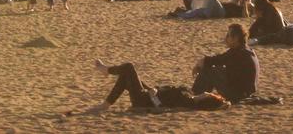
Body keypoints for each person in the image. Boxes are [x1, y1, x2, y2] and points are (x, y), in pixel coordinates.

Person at [94, 62, 231, 111]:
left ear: (206, 99)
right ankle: (106, 104)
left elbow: (162, 109)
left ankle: (106, 70)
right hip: (148, 94)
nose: (208, 92)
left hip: (144, 100)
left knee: (129, 67)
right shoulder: (190, 95)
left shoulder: (188, 102)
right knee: (126, 76)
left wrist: (153, 97)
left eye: (209, 94)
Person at [191, 24, 259, 103]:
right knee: (217, 68)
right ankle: (199, 94)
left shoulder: (237, 53)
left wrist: (198, 66)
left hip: (238, 95)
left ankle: (194, 95)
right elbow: (219, 60)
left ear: (236, 38)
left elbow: (211, 61)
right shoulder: (247, 50)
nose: (225, 38)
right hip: (246, 92)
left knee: (210, 70)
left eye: (228, 36)